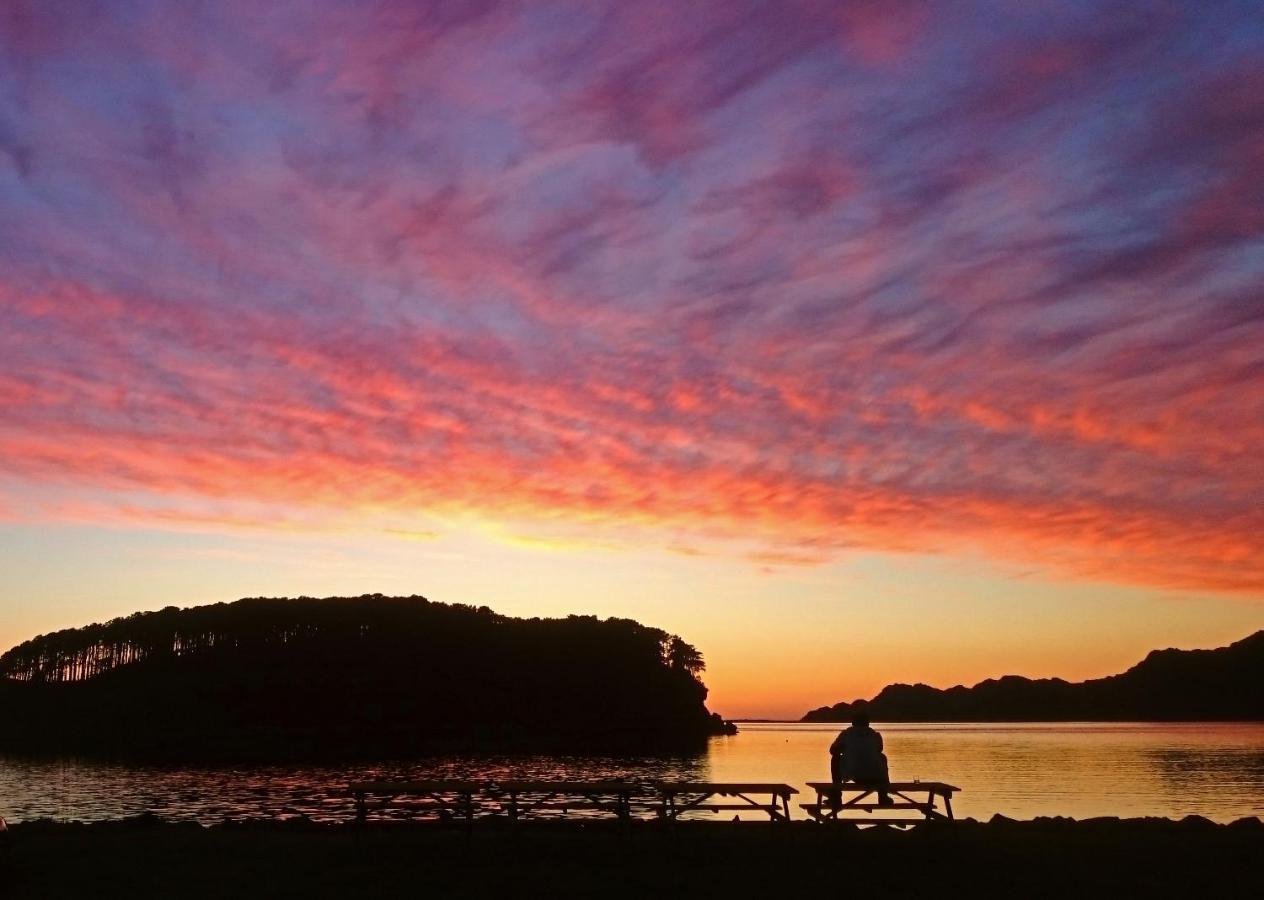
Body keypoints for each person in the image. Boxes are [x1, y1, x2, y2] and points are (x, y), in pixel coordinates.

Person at [828, 704, 892, 807]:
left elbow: (832, 751)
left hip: (855, 775)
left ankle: (836, 796)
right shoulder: (875, 735)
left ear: (853, 722)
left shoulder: (846, 734)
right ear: (868, 723)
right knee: (882, 757)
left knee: (835, 759)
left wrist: (844, 750)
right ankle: (883, 796)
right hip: (876, 777)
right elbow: (879, 749)